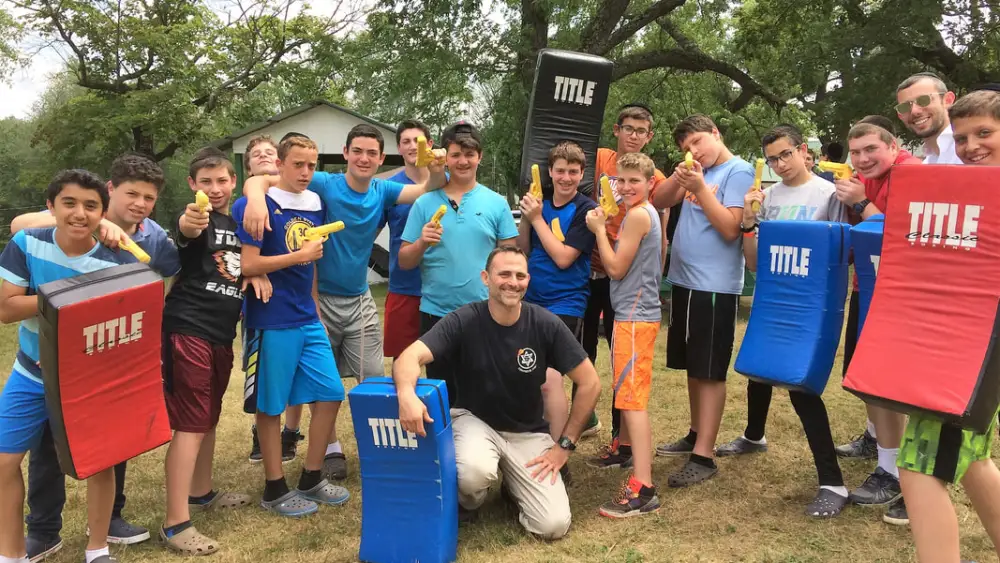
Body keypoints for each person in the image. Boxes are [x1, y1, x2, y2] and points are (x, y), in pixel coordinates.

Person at [240, 124, 446, 481]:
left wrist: (439, 164)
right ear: (346, 153)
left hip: (359, 298)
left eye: (372, 153)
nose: (364, 159)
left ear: (382, 158)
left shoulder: (383, 190)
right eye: (357, 151)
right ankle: (332, 451)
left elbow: (429, 187)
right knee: (324, 384)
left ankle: (383, 449)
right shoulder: (321, 183)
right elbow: (264, 179)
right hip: (315, 300)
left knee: (375, 376)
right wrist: (256, 197)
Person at [11, 154, 181, 554]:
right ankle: (43, 528)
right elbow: (21, 224)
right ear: (110, 191)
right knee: (47, 447)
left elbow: (163, 281)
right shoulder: (77, 214)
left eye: (148, 197)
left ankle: (110, 520)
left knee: (110, 444)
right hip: (52, 362)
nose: (139, 203)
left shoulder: (152, 237)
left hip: (108, 357)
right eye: (130, 194)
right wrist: (99, 222)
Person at [394, 246, 601, 539]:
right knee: (474, 473)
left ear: (528, 281)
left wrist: (564, 445)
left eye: (520, 275)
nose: (512, 282)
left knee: (552, 526)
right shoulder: (463, 320)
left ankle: (512, 488)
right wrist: (406, 395)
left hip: (528, 433)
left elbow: (591, 383)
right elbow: (409, 357)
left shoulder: (545, 323)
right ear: (486, 278)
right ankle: (469, 503)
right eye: (503, 274)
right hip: (474, 422)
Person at [718, 124, 851, 517]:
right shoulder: (768, 197)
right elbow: (755, 262)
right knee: (758, 369)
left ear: (803, 152)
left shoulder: (828, 193)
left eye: (786, 155)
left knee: (800, 387)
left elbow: (842, 253)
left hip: (810, 304)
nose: (781, 163)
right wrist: (749, 223)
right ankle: (754, 436)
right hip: (773, 295)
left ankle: (833, 482)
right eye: (773, 158)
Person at [0, 169, 131, 563]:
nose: (79, 213)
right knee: (5, 461)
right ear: (50, 207)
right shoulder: (26, 243)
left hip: (89, 379)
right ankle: (11, 553)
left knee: (100, 463)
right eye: (69, 203)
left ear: (102, 213)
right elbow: (6, 307)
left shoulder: (115, 259)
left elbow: (117, 323)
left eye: (91, 206)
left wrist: (62, 324)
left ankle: (98, 549)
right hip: (30, 373)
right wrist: (74, 296)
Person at [896, 88, 1000, 563]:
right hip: (959, 346)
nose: (971, 145)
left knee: (918, 468)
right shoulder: (972, 191)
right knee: (973, 460)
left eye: (985, 133)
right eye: (961, 138)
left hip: (972, 354)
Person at [159, 148, 271, 554]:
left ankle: (201, 492)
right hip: (187, 329)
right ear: (192, 186)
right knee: (190, 422)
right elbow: (188, 235)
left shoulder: (234, 223)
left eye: (222, 180)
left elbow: (238, 263)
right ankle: (175, 524)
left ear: (234, 182)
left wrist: (251, 278)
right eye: (205, 182)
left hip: (222, 334)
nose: (215, 188)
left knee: (208, 417)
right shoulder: (197, 218)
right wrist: (189, 223)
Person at [233, 136, 351, 517]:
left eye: (312, 166)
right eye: (297, 164)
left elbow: (310, 264)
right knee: (270, 406)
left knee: (331, 394)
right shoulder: (255, 205)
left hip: (306, 316)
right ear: (279, 165)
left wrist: (314, 301)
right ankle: (274, 487)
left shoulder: (315, 203)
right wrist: (296, 255)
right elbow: (247, 265)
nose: (305, 172)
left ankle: (312, 477)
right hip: (271, 318)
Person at [650, 114, 754, 487]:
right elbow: (657, 198)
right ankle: (697, 432)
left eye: (697, 142)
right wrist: (682, 178)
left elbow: (731, 229)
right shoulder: (695, 173)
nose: (694, 151)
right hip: (684, 282)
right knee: (694, 366)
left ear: (716, 133)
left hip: (715, 287)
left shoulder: (737, 172)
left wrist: (701, 187)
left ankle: (704, 456)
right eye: (686, 148)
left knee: (709, 370)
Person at [833, 121, 921, 526]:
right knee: (867, 377)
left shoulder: (911, 174)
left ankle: (894, 471)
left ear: (894, 145)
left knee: (887, 385)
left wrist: (862, 204)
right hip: (867, 286)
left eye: (871, 150)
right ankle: (878, 445)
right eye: (856, 152)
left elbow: (904, 236)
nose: (863, 159)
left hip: (900, 295)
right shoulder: (869, 179)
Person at [399, 121, 519, 406]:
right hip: (436, 313)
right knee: (441, 394)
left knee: (486, 390)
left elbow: (511, 256)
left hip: (484, 312)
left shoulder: (496, 203)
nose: (463, 161)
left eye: (469, 154)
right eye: (455, 155)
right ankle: (445, 448)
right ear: (445, 158)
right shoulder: (425, 203)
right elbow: (404, 261)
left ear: (480, 156)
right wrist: (421, 243)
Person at [584, 104, 668, 450]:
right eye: (628, 128)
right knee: (584, 351)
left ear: (649, 137)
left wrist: (656, 278)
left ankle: (624, 441)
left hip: (625, 284)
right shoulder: (601, 155)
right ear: (616, 129)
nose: (633, 135)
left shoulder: (652, 186)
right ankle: (588, 418)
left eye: (641, 131)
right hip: (590, 272)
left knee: (627, 373)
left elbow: (657, 232)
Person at [583, 152, 662, 517]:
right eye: (621, 180)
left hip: (634, 317)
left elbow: (614, 269)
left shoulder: (639, 215)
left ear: (649, 184)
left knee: (631, 400)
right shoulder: (639, 214)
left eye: (635, 181)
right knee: (628, 392)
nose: (626, 187)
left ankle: (643, 487)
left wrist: (599, 230)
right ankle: (628, 453)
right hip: (636, 314)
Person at [517, 140, 597, 482]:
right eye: (560, 171)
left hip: (566, 302)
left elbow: (565, 258)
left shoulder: (586, 210)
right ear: (550, 172)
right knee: (527, 376)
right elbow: (523, 247)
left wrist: (536, 220)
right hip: (530, 298)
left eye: (573, 172)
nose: (566, 177)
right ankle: (528, 442)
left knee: (551, 381)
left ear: (582, 174)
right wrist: (526, 217)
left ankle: (557, 454)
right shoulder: (540, 203)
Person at [242, 134, 306, 466]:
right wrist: (250, 270)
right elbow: (239, 254)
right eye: (258, 154)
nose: (265, 156)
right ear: (249, 166)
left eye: (270, 152)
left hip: (300, 311)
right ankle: (263, 436)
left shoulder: (299, 198)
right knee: (268, 385)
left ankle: (290, 433)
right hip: (266, 313)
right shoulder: (250, 203)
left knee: (295, 378)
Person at [383, 121, 432, 362]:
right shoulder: (389, 190)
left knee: (448, 365)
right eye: (406, 142)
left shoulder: (450, 182)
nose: (413, 146)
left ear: (430, 146)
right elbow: (366, 234)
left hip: (444, 290)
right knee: (402, 363)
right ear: (399, 149)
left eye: (419, 141)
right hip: (404, 289)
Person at [895, 72, 963, 165]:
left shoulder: (970, 152)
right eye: (904, 107)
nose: (914, 111)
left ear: (948, 100)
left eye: (923, 100)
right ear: (900, 116)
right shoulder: (927, 163)